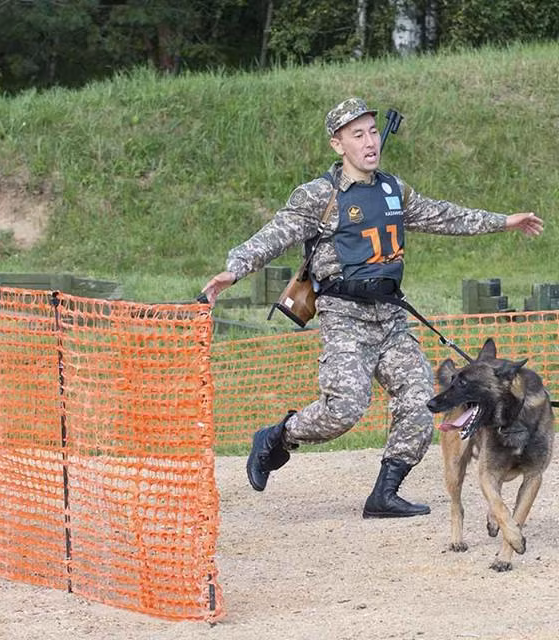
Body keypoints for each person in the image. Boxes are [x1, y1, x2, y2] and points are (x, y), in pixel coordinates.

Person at [201, 98, 544, 518]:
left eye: (372, 132)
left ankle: (385, 493)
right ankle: (277, 436)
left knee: (421, 401)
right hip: (345, 318)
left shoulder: (393, 190)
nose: (369, 142)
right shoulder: (319, 196)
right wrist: (232, 271)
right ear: (337, 144)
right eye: (357, 134)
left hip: (391, 317)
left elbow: (444, 215)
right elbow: (275, 234)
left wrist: (504, 220)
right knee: (344, 407)